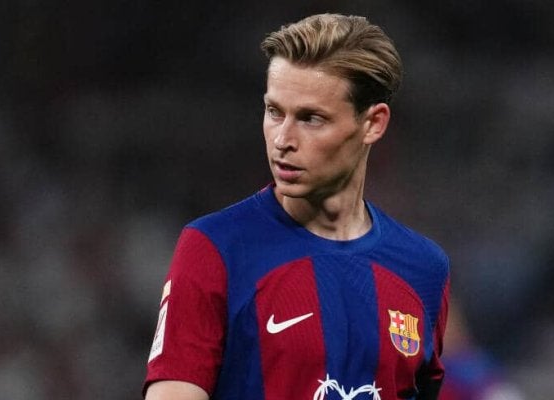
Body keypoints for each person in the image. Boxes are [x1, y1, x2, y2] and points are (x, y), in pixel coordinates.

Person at [143, 13, 450, 400]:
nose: (282, 140)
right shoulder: (215, 249)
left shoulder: (423, 269)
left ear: (373, 123)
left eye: (311, 118)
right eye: (274, 111)